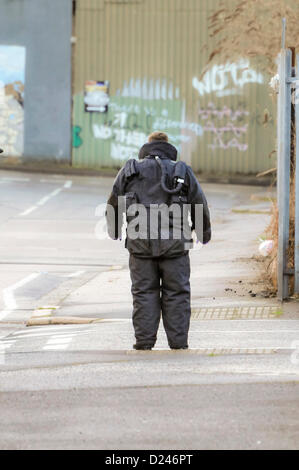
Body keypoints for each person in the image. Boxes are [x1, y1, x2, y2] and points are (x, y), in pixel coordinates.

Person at [106, 131, 211, 350]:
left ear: (147, 146)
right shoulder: (182, 171)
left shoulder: (130, 170)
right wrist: (203, 233)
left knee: (144, 293)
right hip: (177, 246)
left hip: (140, 245)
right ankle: (179, 343)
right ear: (168, 148)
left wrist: (114, 230)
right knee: (177, 293)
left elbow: (114, 202)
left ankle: (144, 343)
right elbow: (199, 202)